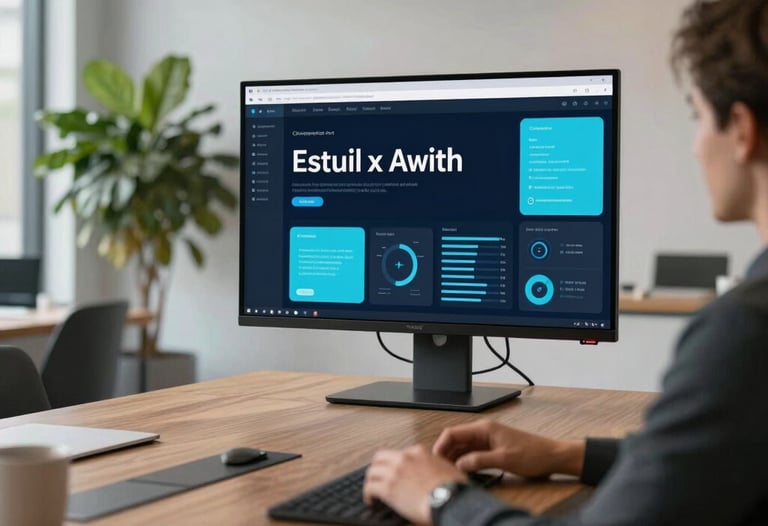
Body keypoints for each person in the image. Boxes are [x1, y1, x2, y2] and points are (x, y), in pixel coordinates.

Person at [362, 0, 768, 524]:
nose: (695, 147)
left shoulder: (746, 331)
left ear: (741, 129)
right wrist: (565, 454)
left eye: (698, 117)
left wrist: (442, 498)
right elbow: (717, 457)